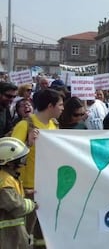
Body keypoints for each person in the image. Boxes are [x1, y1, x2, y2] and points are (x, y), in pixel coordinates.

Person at [11, 88, 64, 247]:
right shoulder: (24, 125)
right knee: (26, 232)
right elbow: (10, 158)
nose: (63, 108)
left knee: (44, 233)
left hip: (49, 189)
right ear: (50, 106)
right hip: (28, 190)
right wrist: (28, 144)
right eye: (60, 104)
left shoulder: (54, 125)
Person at [0, 137, 37, 249]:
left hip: (12, 235)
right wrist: (33, 204)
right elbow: (16, 206)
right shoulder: (5, 182)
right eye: (21, 160)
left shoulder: (8, 178)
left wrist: (24, 193)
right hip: (8, 237)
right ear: (9, 162)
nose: (24, 163)